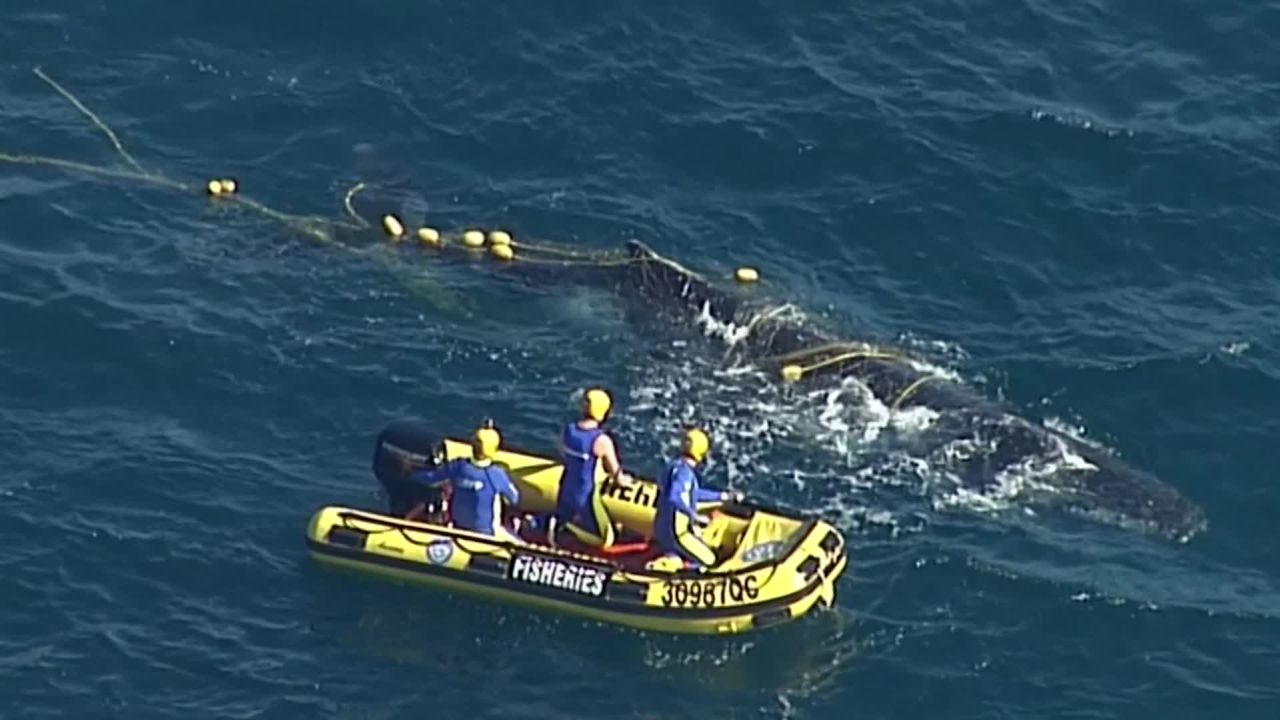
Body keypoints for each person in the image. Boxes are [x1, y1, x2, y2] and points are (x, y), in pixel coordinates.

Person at [407, 420, 521, 542]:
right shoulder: (497, 475)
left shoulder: (457, 467)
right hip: (487, 536)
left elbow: (431, 479)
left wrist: (411, 473)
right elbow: (514, 499)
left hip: (459, 529)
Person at [549, 387, 631, 549]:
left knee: (565, 513)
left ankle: (547, 522)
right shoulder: (601, 440)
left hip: (564, 490)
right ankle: (566, 529)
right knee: (606, 540)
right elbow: (617, 475)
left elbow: (561, 450)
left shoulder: (569, 430)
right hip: (586, 498)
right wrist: (625, 481)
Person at [653, 427, 740, 568]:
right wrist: (693, 515)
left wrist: (721, 496)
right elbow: (674, 497)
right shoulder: (686, 473)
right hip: (676, 533)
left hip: (660, 529)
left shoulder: (672, 466)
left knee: (687, 548)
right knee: (709, 561)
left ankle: (672, 556)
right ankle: (674, 566)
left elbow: (692, 493)